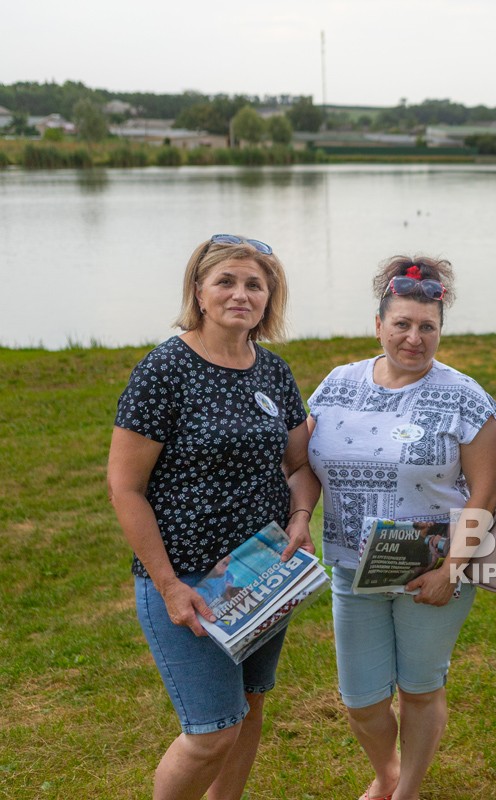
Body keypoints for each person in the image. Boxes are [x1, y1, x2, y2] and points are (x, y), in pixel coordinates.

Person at [107, 234, 319, 800]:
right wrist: (170, 586)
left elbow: (300, 464)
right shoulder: (164, 370)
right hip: (191, 582)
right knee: (211, 730)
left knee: (249, 709)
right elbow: (125, 488)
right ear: (199, 291)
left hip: (263, 574)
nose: (240, 294)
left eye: (254, 283)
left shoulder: (273, 372)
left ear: (269, 296)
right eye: (225, 281)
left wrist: (300, 517)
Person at [307, 256, 496, 800]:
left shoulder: (464, 395)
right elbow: (305, 465)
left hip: (431, 568)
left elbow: (484, 492)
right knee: (361, 700)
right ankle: (388, 772)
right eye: (402, 324)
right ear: (379, 324)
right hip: (350, 568)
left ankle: (407, 789)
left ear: (440, 330)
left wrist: (452, 569)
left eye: (427, 327)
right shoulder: (336, 385)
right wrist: (300, 515)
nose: (414, 338)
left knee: (419, 688)